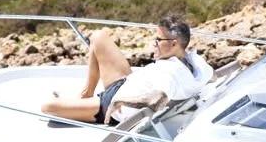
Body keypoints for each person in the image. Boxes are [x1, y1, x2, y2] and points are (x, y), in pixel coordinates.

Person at [42, 15, 201, 125]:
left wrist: (121, 101)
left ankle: (75, 103)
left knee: (48, 107)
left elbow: (157, 101)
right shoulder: (196, 62)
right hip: (125, 82)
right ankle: (85, 95)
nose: (154, 43)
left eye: (158, 40)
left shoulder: (170, 73)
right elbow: (215, 76)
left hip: (108, 106)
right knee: (98, 37)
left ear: (174, 44)